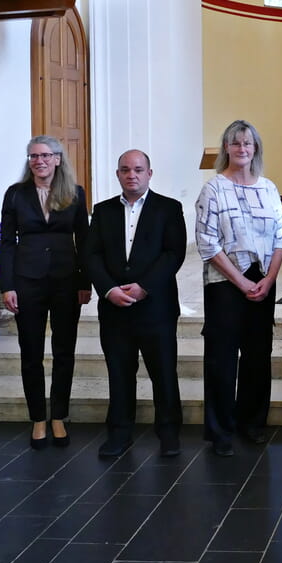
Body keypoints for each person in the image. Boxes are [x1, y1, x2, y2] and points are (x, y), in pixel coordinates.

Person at [83, 150, 188, 460]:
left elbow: (173, 253)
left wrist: (144, 287)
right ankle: (119, 433)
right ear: (118, 174)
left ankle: (169, 434)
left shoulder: (169, 208)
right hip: (115, 307)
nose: (132, 175)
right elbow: (91, 255)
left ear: (149, 173)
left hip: (156, 307)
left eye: (138, 170)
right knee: (119, 372)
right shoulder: (103, 211)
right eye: (126, 170)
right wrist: (108, 289)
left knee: (164, 373)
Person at [196, 120, 282, 457]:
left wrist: (269, 280)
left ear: (256, 149)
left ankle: (252, 423)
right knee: (221, 359)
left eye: (247, 143)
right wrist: (242, 280)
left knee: (257, 356)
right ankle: (220, 430)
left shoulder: (268, 188)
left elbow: (281, 237)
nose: (242, 149)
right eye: (235, 143)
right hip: (225, 284)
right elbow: (207, 242)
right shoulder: (214, 189)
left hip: (263, 280)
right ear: (226, 149)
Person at [0, 136, 91, 450]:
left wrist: (85, 282)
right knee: (31, 353)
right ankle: (38, 417)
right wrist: (8, 285)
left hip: (66, 280)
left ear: (57, 159)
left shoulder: (75, 194)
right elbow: (7, 243)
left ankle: (59, 416)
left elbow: (85, 240)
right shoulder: (15, 195)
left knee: (64, 351)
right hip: (28, 280)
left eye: (44, 155)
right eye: (33, 156)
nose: (38, 161)